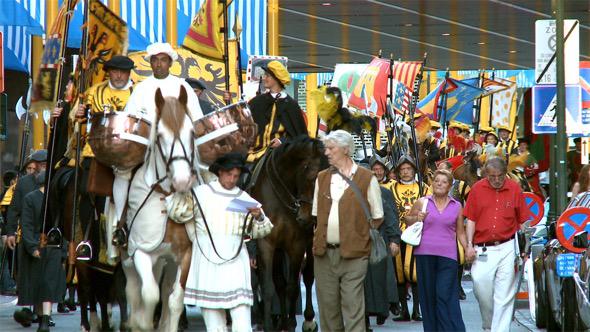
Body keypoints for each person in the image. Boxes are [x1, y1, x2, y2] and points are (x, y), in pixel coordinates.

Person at [119, 43, 204, 244]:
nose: (158, 64)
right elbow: (129, 120)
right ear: (150, 63)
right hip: (146, 149)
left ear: (170, 63)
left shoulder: (183, 87)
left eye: (163, 60)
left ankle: (206, 227)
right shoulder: (140, 88)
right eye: (155, 60)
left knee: (207, 174)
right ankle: (120, 225)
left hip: (180, 147)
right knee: (121, 172)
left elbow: (197, 120)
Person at [184, 153, 271, 331]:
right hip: (208, 262)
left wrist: (260, 217)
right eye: (229, 174)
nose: (232, 179)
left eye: (236, 176)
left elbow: (262, 230)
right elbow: (178, 213)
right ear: (220, 172)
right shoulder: (200, 194)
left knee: (242, 322)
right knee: (214, 325)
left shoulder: (243, 198)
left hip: (235, 263)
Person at [312, 130, 386, 331]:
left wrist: (360, 236)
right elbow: (317, 216)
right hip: (324, 254)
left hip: (355, 254)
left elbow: (378, 216)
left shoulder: (367, 177)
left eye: (331, 148)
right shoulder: (321, 178)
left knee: (353, 306)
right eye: (325, 148)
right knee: (328, 309)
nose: (326, 153)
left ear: (345, 149)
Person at [464, 157, 529, 332]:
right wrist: (469, 245)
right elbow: (470, 219)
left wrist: (526, 245)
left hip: (507, 246)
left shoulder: (514, 188)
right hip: (483, 247)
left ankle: (499, 330)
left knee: (504, 295)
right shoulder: (477, 189)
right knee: (480, 285)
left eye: (500, 176)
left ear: (505, 173)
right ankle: (489, 324)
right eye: (492, 176)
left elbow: (523, 220)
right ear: (486, 174)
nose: (497, 180)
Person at [406, 169, 467, 331]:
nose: (439, 183)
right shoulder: (422, 202)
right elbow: (407, 220)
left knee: (444, 294)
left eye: (444, 181)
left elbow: (460, 232)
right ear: (432, 184)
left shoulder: (457, 206)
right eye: (437, 180)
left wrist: (468, 249)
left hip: (448, 257)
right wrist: (417, 217)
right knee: (428, 296)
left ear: (449, 186)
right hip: (424, 254)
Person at [14, 171, 66, 332]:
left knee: (46, 283)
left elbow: (26, 225)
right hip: (48, 245)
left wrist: (32, 246)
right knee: (43, 284)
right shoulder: (35, 199)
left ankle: (44, 318)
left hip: (44, 246)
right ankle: (41, 315)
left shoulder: (40, 199)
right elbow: (28, 224)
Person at [390, 154, 430, 322]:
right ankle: (404, 310)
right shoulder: (391, 189)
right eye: (402, 169)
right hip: (399, 235)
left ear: (414, 170)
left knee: (416, 274)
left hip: (419, 235)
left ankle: (417, 310)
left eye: (408, 169)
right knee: (399, 274)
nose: (405, 172)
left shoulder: (425, 188)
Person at [247, 60, 308, 163]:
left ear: (276, 78)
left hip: (281, 153)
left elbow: (300, 136)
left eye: (267, 76)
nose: (264, 78)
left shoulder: (291, 105)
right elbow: (244, 123)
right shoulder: (257, 102)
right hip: (254, 153)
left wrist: (282, 141)